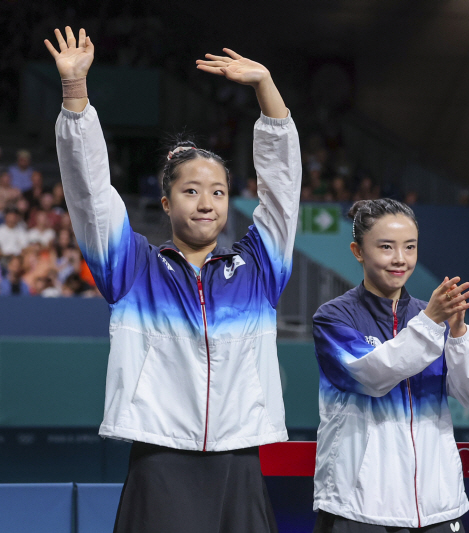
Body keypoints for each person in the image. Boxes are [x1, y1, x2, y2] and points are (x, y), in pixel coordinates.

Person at [45, 26, 301, 532]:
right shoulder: (132, 269)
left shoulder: (260, 271)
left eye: (218, 192)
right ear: (166, 202)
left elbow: (282, 193)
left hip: (239, 457)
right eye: (191, 191)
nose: (206, 203)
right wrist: (75, 93)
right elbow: (91, 195)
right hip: (159, 456)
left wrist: (266, 90)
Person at [312, 199, 469, 532]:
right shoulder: (333, 318)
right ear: (358, 250)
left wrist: (457, 333)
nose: (400, 259)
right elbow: (372, 377)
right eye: (386, 247)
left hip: (437, 506)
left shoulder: (432, 317)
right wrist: (430, 323)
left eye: (409, 247)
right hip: (360, 506)